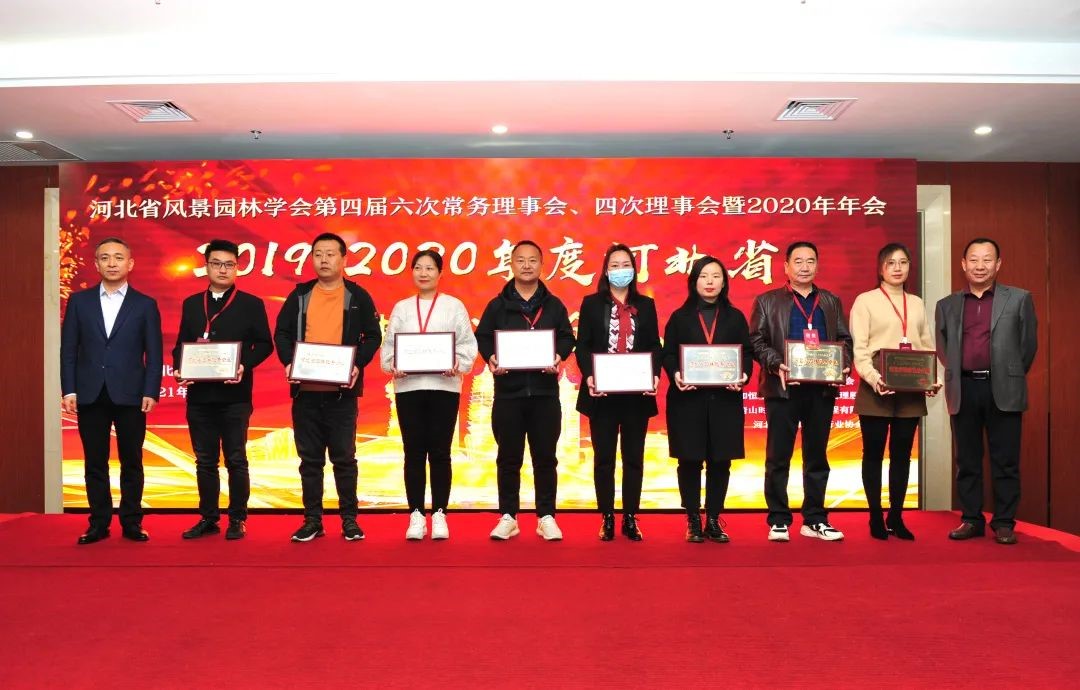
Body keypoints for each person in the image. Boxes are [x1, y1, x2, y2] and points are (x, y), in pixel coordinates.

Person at [274, 232, 382, 543]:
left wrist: (356, 364)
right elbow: (281, 333)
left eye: (331, 254)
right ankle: (313, 520)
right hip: (305, 393)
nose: (324, 260)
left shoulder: (357, 296)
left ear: (344, 259)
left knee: (344, 459)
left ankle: (349, 520)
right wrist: (289, 362)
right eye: (318, 254)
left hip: (341, 395)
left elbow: (373, 336)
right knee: (310, 461)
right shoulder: (300, 295)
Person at [60, 237, 162, 544]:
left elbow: (154, 353)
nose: (112, 263)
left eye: (119, 257)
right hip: (90, 392)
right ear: (96, 264)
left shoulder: (145, 304)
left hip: (131, 393)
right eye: (105, 258)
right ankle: (98, 523)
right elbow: (69, 351)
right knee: (94, 461)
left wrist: (151, 390)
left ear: (130, 264)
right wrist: (69, 390)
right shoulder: (80, 302)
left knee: (132, 460)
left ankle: (132, 522)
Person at [749, 241, 853, 542]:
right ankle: (778, 519)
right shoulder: (767, 301)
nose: (804, 267)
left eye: (810, 261)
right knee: (778, 456)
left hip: (820, 390)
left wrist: (843, 363)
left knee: (817, 456)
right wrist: (776, 363)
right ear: (786, 266)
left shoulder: (830, 301)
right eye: (798, 261)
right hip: (782, 388)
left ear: (817, 266)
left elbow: (845, 340)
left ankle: (815, 519)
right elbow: (755, 341)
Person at [936, 237, 1037, 545]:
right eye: (974, 259)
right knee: (967, 460)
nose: (980, 266)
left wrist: (1008, 374)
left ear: (998, 264)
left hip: (1003, 388)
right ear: (963, 264)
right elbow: (943, 348)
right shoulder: (947, 304)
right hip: (964, 388)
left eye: (987, 259)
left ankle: (1004, 522)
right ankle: (971, 519)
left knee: (1005, 460)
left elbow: (1028, 346)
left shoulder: (1019, 298)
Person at [475, 240, 576, 541]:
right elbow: (483, 337)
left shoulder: (554, 305)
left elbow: (567, 337)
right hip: (508, 394)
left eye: (533, 260)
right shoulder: (497, 305)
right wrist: (491, 357)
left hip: (545, 395)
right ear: (512, 264)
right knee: (508, 458)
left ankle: (546, 516)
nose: (527, 265)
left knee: (545, 458)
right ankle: (508, 516)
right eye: (521, 260)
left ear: (542, 265)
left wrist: (558, 355)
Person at [173, 239, 273, 541]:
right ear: (206, 266)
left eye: (229, 264)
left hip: (235, 396)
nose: (222, 269)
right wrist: (179, 368)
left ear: (237, 267)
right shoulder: (192, 303)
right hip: (200, 396)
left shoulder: (251, 304)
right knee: (204, 461)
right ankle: (208, 518)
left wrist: (244, 365)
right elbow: (181, 344)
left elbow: (265, 344)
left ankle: (238, 518)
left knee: (236, 459)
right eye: (216, 263)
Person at [381, 249, 478, 540]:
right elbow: (388, 349)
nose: (423, 273)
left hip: (444, 388)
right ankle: (415, 515)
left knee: (440, 452)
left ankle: (439, 514)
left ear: (440, 273)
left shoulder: (454, 306)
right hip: (408, 388)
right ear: (412, 272)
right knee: (413, 452)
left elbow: (467, 345)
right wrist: (394, 365)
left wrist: (456, 363)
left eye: (430, 268)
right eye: (418, 268)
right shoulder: (402, 308)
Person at [849, 243, 941, 540]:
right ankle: (875, 516)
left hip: (910, 380)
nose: (898, 268)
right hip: (877, 381)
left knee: (902, 454)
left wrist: (932, 378)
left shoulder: (916, 303)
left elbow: (926, 344)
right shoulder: (865, 301)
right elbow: (860, 349)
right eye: (891, 263)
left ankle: (896, 516)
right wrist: (874, 378)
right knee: (873, 453)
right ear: (880, 268)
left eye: (903, 262)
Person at [662, 256, 754, 543]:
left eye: (716, 276)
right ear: (694, 282)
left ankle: (713, 518)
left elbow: (746, 353)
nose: (710, 281)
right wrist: (676, 374)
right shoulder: (680, 317)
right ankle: (692, 518)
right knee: (689, 461)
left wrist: (743, 375)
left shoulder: (735, 317)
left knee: (720, 461)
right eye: (703, 276)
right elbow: (668, 354)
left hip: (725, 400)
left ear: (724, 282)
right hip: (687, 400)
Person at [575, 243, 661, 541]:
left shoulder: (646, 305)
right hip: (602, 396)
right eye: (614, 265)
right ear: (606, 270)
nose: (620, 270)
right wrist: (590, 375)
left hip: (636, 396)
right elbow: (583, 345)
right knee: (604, 459)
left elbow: (654, 345)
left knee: (634, 458)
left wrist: (654, 374)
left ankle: (631, 516)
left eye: (626, 265)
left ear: (634, 270)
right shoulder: (591, 304)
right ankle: (608, 516)